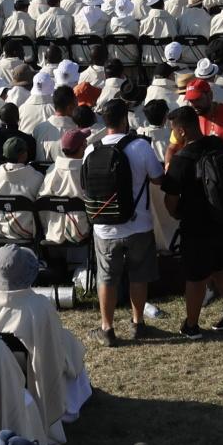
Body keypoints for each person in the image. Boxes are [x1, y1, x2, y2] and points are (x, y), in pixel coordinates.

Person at [160, 107, 223, 338]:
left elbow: (170, 200)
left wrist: (177, 214)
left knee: (195, 277)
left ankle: (191, 325)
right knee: (221, 268)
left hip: (197, 226)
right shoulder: (218, 145)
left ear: (181, 131)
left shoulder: (181, 160)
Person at [88, 98, 163, 348]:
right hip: (138, 224)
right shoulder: (140, 147)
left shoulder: (91, 149)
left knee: (107, 277)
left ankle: (107, 328)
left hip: (105, 227)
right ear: (125, 119)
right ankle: (138, 322)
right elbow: (157, 178)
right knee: (138, 275)